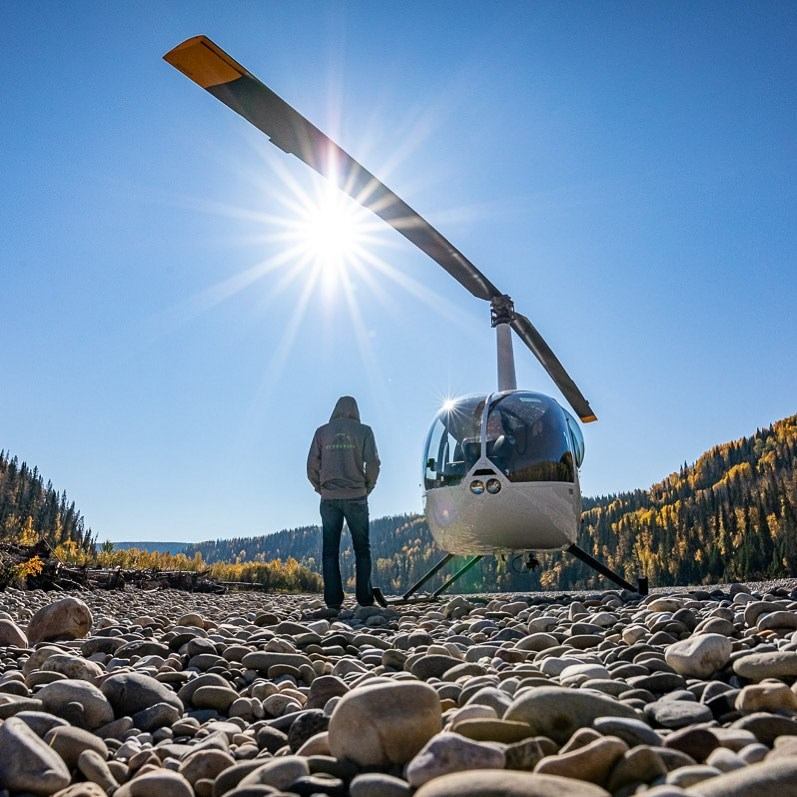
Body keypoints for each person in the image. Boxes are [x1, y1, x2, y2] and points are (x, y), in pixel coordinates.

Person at [307, 396, 380, 610]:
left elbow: (311, 465)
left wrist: (320, 487)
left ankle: (333, 601)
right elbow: (374, 463)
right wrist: (368, 487)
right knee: (362, 548)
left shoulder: (322, 432)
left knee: (330, 550)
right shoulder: (364, 431)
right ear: (356, 410)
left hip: (329, 498)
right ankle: (365, 599)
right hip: (357, 496)